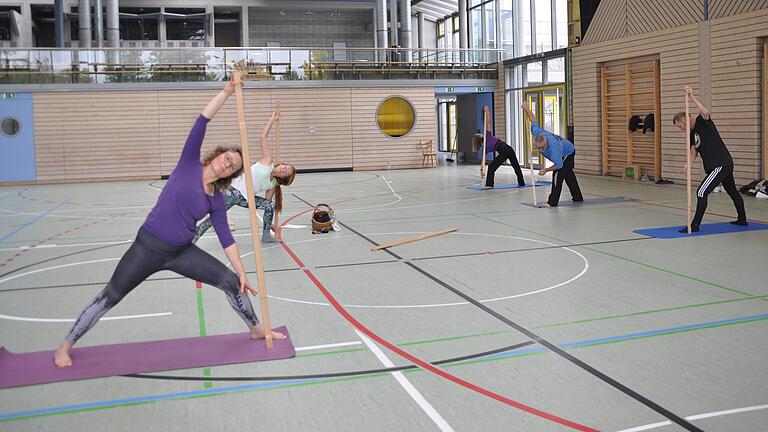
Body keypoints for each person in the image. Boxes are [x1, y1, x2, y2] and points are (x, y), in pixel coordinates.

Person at [53, 77, 285, 368]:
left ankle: (255, 328)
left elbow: (227, 239)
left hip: (180, 252)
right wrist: (227, 91)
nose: (229, 163)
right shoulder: (188, 162)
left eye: (234, 166)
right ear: (217, 155)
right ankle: (64, 346)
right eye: (228, 157)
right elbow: (203, 120)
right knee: (111, 294)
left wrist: (242, 273)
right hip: (147, 247)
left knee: (230, 283)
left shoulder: (216, 199)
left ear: (232, 174)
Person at [192, 108, 296, 244]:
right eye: (285, 167)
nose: (284, 169)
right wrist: (272, 119)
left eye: (286, 172)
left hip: (246, 198)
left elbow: (266, 203)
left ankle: (265, 235)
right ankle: (193, 239)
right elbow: (263, 137)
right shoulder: (268, 161)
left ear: (284, 178)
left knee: (270, 205)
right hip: (233, 192)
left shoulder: (273, 184)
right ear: (282, 164)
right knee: (214, 219)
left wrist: (268, 222)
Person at [674, 86, 747, 232]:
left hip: (720, 164)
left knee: (701, 192)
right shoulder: (692, 133)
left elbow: (706, 111)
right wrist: (688, 163)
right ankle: (742, 219)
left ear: (685, 119)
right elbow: (694, 149)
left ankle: (694, 226)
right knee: (732, 191)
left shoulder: (702, 121)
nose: (681, 129)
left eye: (680, 126)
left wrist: (692, 97)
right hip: (723, 164)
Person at [522, 101, 583, 207]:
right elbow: (533, 120)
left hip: (567, 152)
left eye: (542, 148)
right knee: (568, 174)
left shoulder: (554, 149)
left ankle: (552, 202)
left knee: (557, 176)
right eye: (538, 148)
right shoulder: (537, 133)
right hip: (565, 148)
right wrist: (527, 109)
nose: (541, 150)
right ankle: (578, 197)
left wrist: (545, 170)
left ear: (546, 143)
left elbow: (558, 165)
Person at [472, 106, 525, 188]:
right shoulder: (487, 137)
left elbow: (483, 160)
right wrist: (487, 111)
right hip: (508, 149)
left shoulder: (487, 139)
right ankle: (521, 183)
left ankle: (489, 184)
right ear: (480, 137)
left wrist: (481, 170)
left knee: (492, 167)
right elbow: (488, 122)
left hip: (504, 151)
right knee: (516, 166)